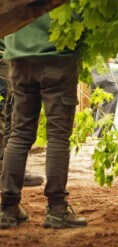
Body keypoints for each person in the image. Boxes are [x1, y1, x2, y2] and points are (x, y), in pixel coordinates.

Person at [0, 13, 87, 229]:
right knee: (58, 135)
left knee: (19, 134)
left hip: (19, 55)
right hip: (58, 54)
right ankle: (57, 209)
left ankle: (8, 209)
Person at [0, 39, 44, 187]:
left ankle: (8, 170)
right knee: (6, 114)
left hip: (9, 55)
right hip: (5, 56)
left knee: (9, 112)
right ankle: (7, 172)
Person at [91, 61, 118, 137]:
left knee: (95, 96)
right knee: (111, 90)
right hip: (95, 53)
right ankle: (98, 137)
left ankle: (96, 136)